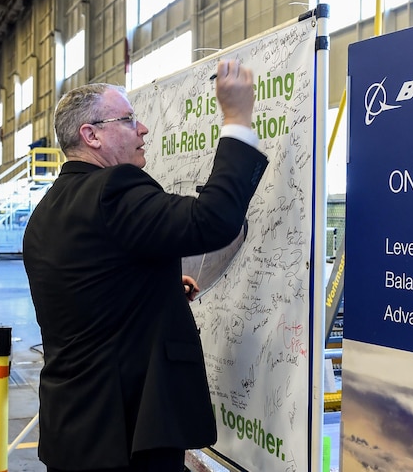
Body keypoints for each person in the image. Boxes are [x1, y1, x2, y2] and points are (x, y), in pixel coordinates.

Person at [23, 59, 267, 472]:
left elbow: (94, 294)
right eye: (129, 119)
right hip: (127, 435)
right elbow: (212, 220)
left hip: (75, 430)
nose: (143, 129)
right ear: (92, 135)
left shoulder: (47, 212)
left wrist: (159, 290)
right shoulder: (112, 188)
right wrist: (237, 118)